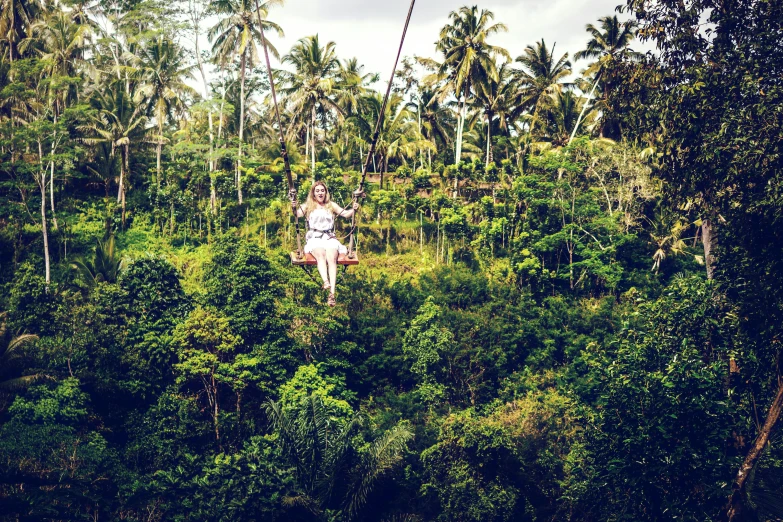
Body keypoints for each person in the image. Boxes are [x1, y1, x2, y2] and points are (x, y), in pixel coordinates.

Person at [295, 181, 359, 306]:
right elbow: (297, 214)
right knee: (320, 254)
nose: (320, 193)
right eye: (317, 190)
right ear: (313, 193)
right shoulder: (309, 205)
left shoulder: (331, 205)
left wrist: (354, 209)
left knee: (331, 257)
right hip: (314, 237)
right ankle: (326, 281)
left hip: (329, 237)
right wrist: (293, 205)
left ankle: (332, 293)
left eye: (322, 190)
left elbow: (345, 214)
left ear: (326, 192)